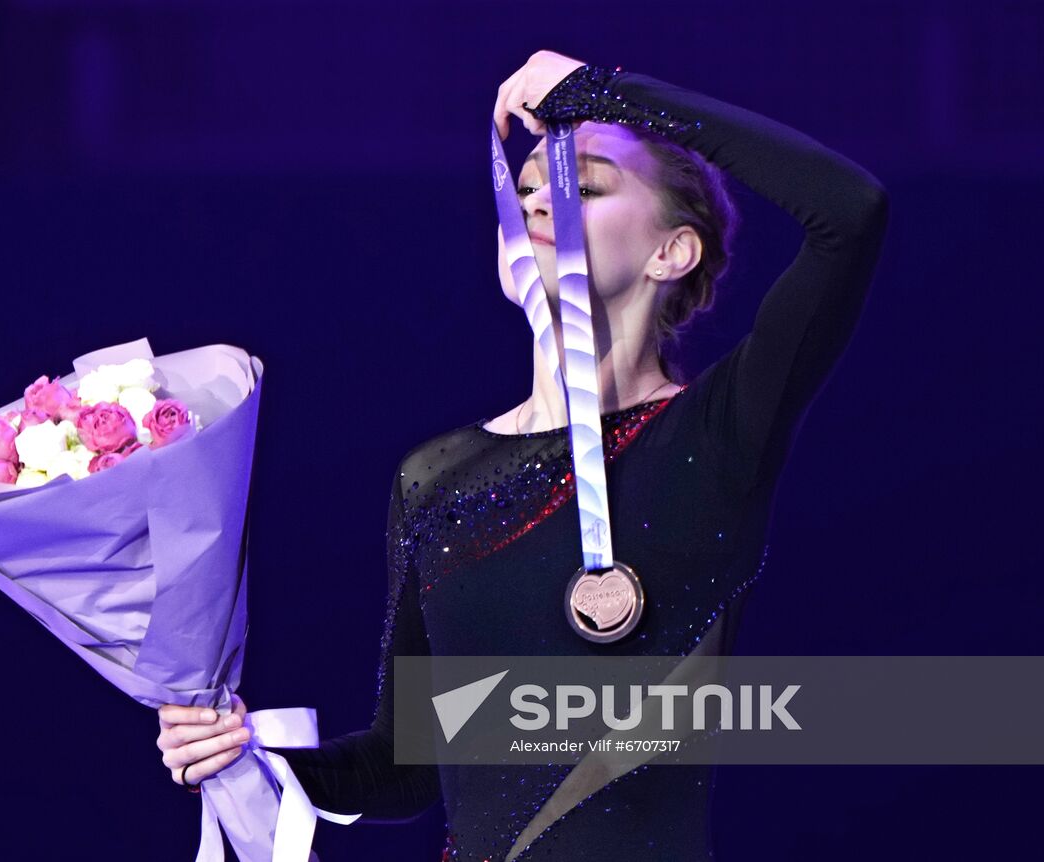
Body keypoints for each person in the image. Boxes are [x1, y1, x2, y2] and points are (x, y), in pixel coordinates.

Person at [156, 49, 889, 860]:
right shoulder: (436, 476)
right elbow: (408, 764)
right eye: (534, 183)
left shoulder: (715, 435)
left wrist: (609, 95)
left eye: (590, 183)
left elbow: (849, 211)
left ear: (671, 253)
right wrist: (245, 763)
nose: (543, 195)